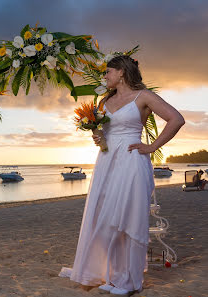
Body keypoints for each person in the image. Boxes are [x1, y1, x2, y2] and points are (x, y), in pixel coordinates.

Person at [62, 56, 185, 295]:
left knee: (127, 217)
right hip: (107, 162)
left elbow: (176, 119)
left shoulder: (144, 97)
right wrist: (98, 138)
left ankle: (129, 281)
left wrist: (152, 147)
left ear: (121, 72)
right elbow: (102, 135)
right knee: (106, 218)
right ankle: (113, 274)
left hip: (132, 161)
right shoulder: (105, 101)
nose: (105, 76)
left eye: (108, 72)